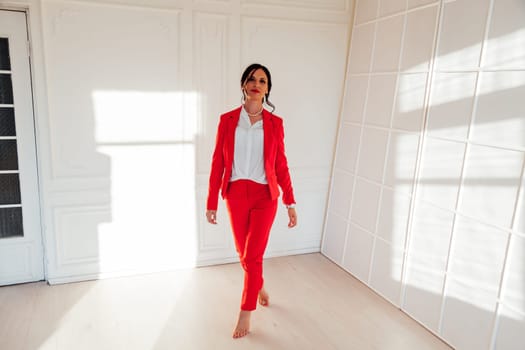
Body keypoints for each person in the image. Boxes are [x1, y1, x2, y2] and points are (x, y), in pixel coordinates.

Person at [206, 63, 297, 338]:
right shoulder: (228, 120)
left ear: (267, 89)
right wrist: (211, 202)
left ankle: (245, 312)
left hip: (264, 196)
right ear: (244, 85)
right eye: (252, 79)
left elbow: (281, 164)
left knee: (252, 255)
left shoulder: (275, 123)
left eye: (263, 80)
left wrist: (290, 203)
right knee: (243, 254)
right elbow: (217, 163)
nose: (257, 83)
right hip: (235, 194)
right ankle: (258, 285)